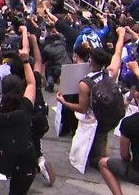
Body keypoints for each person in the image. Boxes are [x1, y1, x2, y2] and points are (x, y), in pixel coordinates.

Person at [57, 27, 126, 170]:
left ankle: (98, 161)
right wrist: (121, 35)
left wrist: (64, 102)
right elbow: (118, 53)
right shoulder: (111, 72)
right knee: (103, 136)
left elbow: (82, 108)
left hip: (96, 119)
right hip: (112, 114)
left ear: (91, 60)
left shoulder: (85, 84)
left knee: (95, 142)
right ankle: (103, 150)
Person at [0, 48, 37, 195]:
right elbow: (31, 83)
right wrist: (25, 60)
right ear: (20, 91)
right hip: (26, 163)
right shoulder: (26, 107)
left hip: (3, 161)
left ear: (1, 91)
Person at [99, 111, 139, 194]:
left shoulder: (129, 122)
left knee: (103, 163)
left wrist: (128, 159)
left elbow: (124, 155)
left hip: (136, 172)